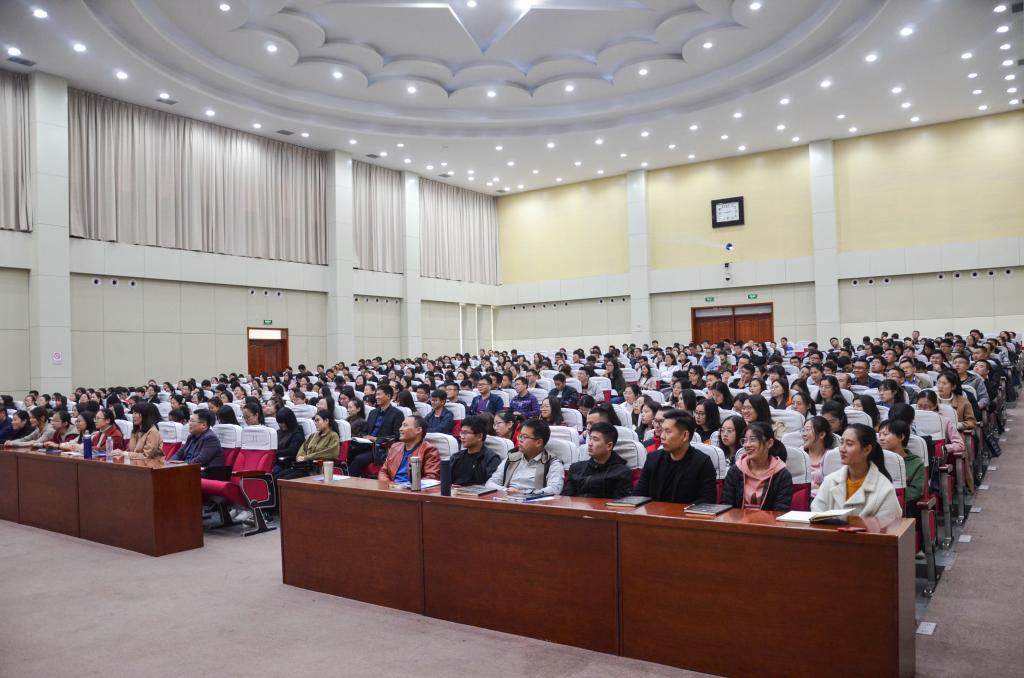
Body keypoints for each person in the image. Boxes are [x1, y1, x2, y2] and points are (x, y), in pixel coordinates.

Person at [811, 424, 902, 522]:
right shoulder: (830, 481)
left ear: (866, 450)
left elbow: (889, 524)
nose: (842, 449)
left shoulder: (884, 488)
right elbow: (816, 512)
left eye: (849, 444)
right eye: (841, 442)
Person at [634, 410, 716, 504]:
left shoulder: (703, 463)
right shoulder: (653, 459)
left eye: (668, 431)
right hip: (654, 512)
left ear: (685, 436)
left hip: (685, 513)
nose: (662, 436)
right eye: (662, 430)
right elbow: (639, 494)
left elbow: (707, 502)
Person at [720, 422, 793, 511]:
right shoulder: (735, 471)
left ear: (769, 443)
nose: (747, 445)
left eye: (753, 439)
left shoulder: (782, 475)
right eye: (745, 440)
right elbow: (726, 506)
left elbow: (780, 511)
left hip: (769, 520)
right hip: (737, 519)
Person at [485, 418, 564, 495]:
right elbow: (490, 483)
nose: (520, 440)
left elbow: (555, 489)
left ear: (539, 442)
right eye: (520, 436)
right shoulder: (512, 457)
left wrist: (523, 493)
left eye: (525, 437)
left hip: (534, 501)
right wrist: (506, 490)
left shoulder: (552, 463)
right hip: (506, 499)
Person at [562, 421, 632, 499]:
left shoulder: (621, 473)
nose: (590, 443)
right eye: (590, 438)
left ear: (609, 446)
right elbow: (565, 499)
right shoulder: (576, 468)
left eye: (595, 439)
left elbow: (619, 504)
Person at [349, 385, 404, 478]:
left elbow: (397, 436)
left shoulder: (397, 414)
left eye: (379, 394)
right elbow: (365, 431)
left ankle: (348, 483)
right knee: (348, 452)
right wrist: (364, 437)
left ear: (388, 396)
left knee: (359, 459)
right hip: (366, 445)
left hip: (381, 448)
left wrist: (377, 439)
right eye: (376, 395)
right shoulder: (373, 412)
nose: (376, 397)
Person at [378, 415, 441, 483]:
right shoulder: (394, 447)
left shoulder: (429, 450)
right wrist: (388, 484)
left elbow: (431, 478)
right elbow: (383, 471)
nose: (400, 429)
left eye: (405, 425)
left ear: (418, 430)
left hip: (413, 488)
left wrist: (408, 487)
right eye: (401, 425)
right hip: (391, 487)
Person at [879, 418, 923, 511]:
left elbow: (916, 491)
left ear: (901, 437)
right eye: (880, 435)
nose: (881, 438)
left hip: (904, 507)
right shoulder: (876, 460)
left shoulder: (915, 462)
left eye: (885, 434)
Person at [286, 410, 340, 478]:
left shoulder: (333, 436)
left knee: (287, 479)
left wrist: (306, 458)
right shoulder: (313, 435)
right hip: (304, 467)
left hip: (317, 470)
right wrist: (300, 457)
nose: (315, 423)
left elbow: (331, 453)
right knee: (278, 477)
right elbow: (303, 448)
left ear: (326, 421)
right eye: (315, 421)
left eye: (317, 420)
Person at [450, 415, 501, 486]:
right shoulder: (456, 457)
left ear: (480, 436)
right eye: (461, 432)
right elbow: (446, 481)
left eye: (466, 433)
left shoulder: (491, 459)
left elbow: (491, 485)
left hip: (480, 492)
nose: (462, 437)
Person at [801, 416, 835, 496]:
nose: (804, 434)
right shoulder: (799, 454)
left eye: (808, 430)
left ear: (822, 434)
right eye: (803, 430)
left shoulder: (831, 457)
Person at [272, 407, 304, 478]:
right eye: (279, 423)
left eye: (283, 422)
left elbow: (292, 451)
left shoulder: (297, 432)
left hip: (287, 464)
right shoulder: (278, 432)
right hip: (275, 461)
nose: (280, 425)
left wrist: (274, 453)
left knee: (272, 475)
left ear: (289, 421)